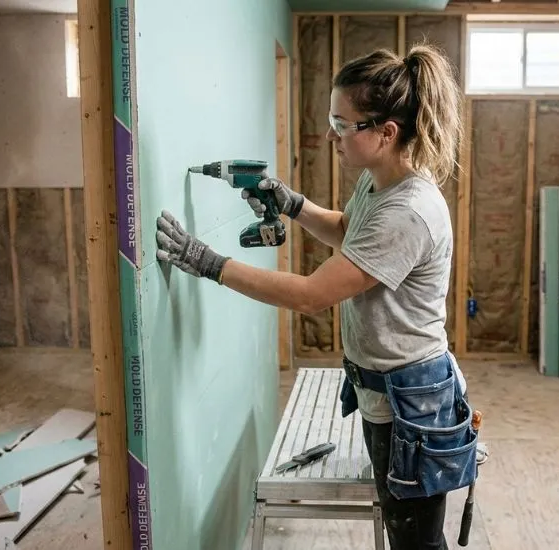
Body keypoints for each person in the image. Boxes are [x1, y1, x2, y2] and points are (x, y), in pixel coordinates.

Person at [156, 43, 478, 550]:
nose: (331, 134)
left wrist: (209, 263)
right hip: (387, 395)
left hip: (410, 407)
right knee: (404, 531)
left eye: (342, 124)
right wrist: (294, 205)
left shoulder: (408, 211)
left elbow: (311, 295)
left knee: (416, 541)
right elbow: (350, 230)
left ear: (385, 132)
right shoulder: (379, 184)